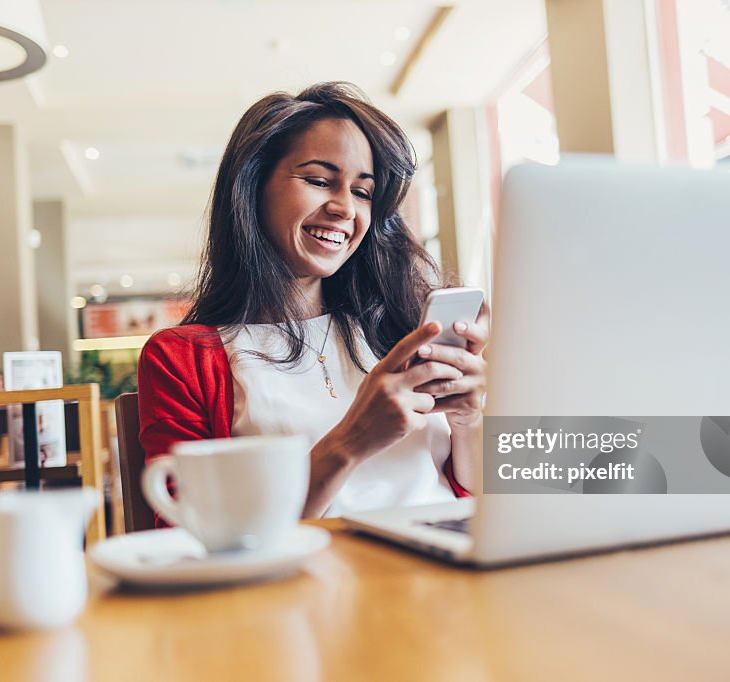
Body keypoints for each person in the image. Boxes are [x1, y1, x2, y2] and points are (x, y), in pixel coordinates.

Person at [137, 82, 488, 518]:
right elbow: (191, 538)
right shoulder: (183, 358)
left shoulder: (404, 325)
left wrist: (469, 420)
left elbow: (478, 497)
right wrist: (349, 443)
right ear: (252, 187)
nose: (345, 207)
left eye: (363, 192)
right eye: (320, 181)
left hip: (454, 565)